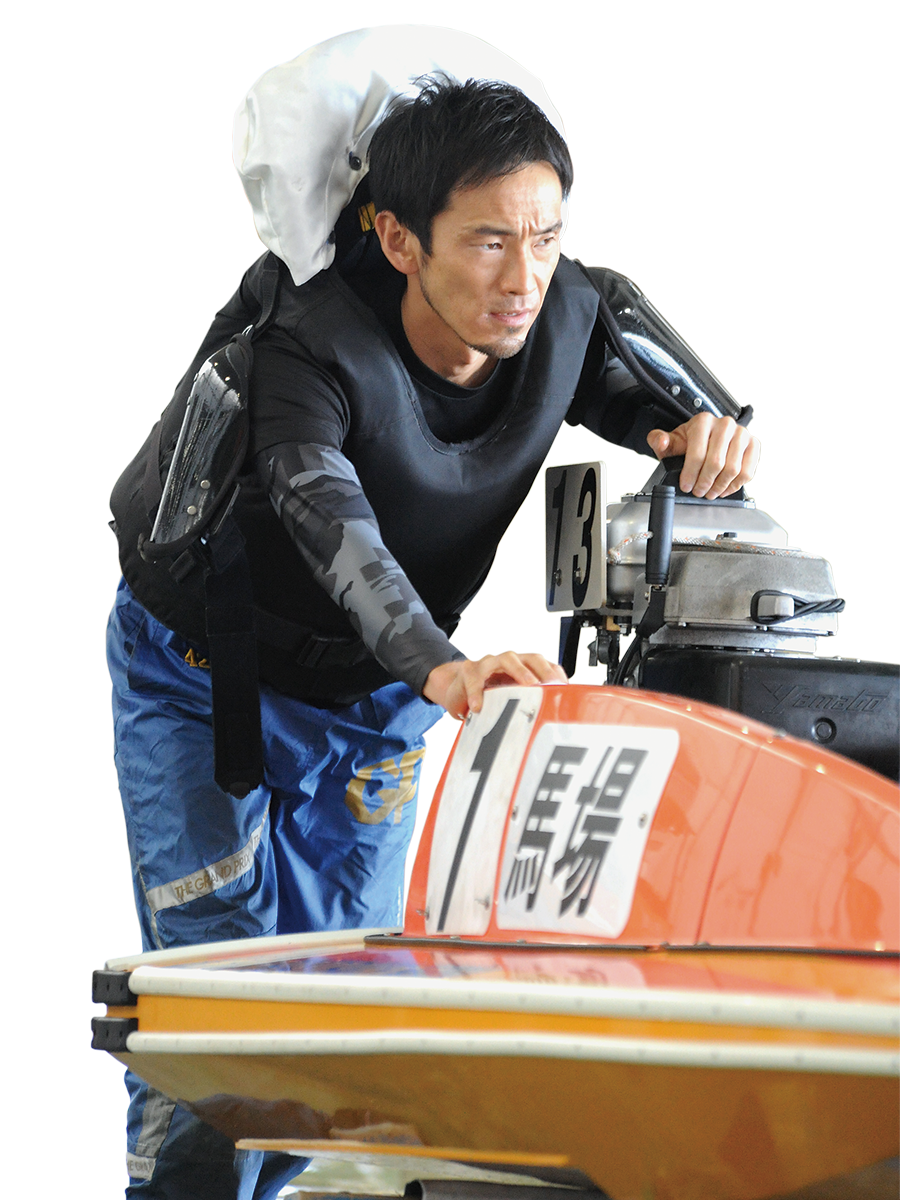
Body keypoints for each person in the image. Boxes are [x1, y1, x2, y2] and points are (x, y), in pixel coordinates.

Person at [105, 27, 759, 1200]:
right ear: (399, 239)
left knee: (338, 998)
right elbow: (331, 524)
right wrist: (441, 664)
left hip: (378, 704)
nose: (523, 278)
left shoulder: (574, 313)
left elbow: (697, 417)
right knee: (222, 983)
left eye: (547, 236)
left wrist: (707, 443)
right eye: (489, 241)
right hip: (206, 677)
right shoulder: (298, 348)